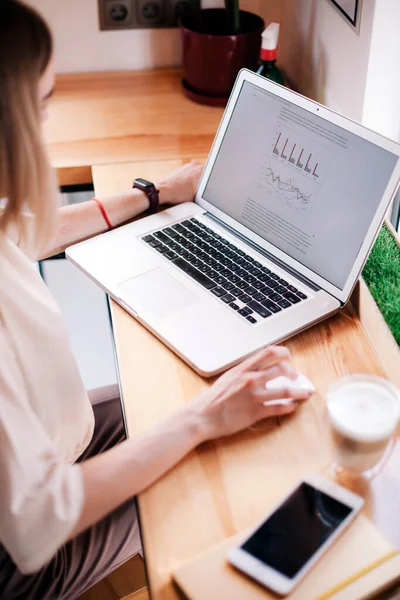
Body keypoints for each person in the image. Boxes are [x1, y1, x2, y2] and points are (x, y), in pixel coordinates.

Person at [0, 1, 313, 598]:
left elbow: (25, 230)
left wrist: (154, 195)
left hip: (51, 443)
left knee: (182, 399)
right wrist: (203, 420)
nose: (47, 124)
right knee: (208, 469)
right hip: (23, 560)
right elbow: (39, 518)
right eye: (39, 107)